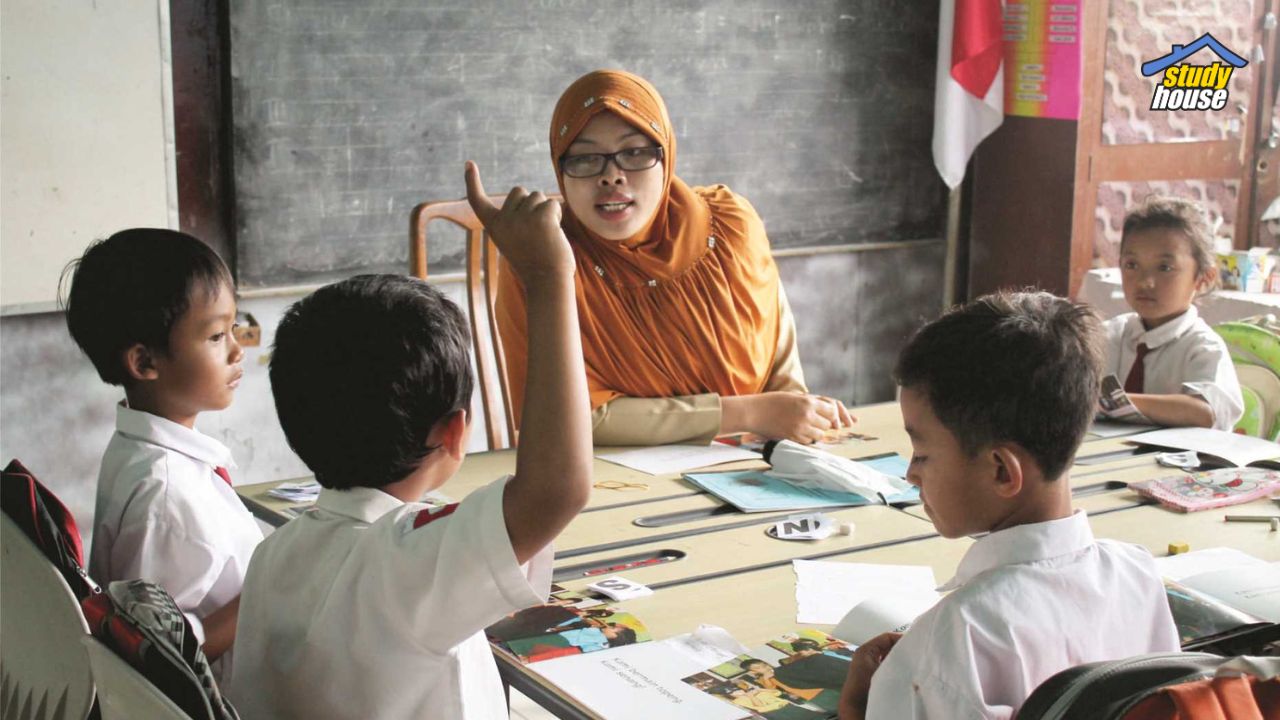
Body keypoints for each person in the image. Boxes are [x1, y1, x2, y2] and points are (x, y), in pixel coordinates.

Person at [229, 162, 592, 719]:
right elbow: (556, 489)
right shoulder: (406, 564)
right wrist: (547, 277)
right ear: (454, 431)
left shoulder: (273, 554)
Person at [839, 291, 1180, 720]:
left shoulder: (953, 642)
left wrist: (854, 707)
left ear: (1002, 471)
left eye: (922, 453)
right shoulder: (1137, 574)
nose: (910, 473)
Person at [495, 69, 853, 446]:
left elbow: (777, 359)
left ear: (666, 156)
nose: (611, 176)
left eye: (634, 153)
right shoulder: (543, 258)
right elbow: (567, 419)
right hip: (610, 478)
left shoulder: (730, 227)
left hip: (749, 465)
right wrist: (751, 412)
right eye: (584, 158)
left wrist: (799, 416)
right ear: (559, 167)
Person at [62, 228, 258, 681]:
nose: (235, 349)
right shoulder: (166, 493)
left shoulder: (144, 450)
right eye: (214, 336)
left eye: (234, 328)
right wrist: (270, 590)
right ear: (145, 363)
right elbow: (160, 655)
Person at [1104, 196, 1243, 430]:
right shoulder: (1112, 333)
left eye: (1165, 268)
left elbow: (1205, 411)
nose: (1145, 282)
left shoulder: (1203, 347)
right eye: (1132, 265)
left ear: (1203, 278)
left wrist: (1112, 402)